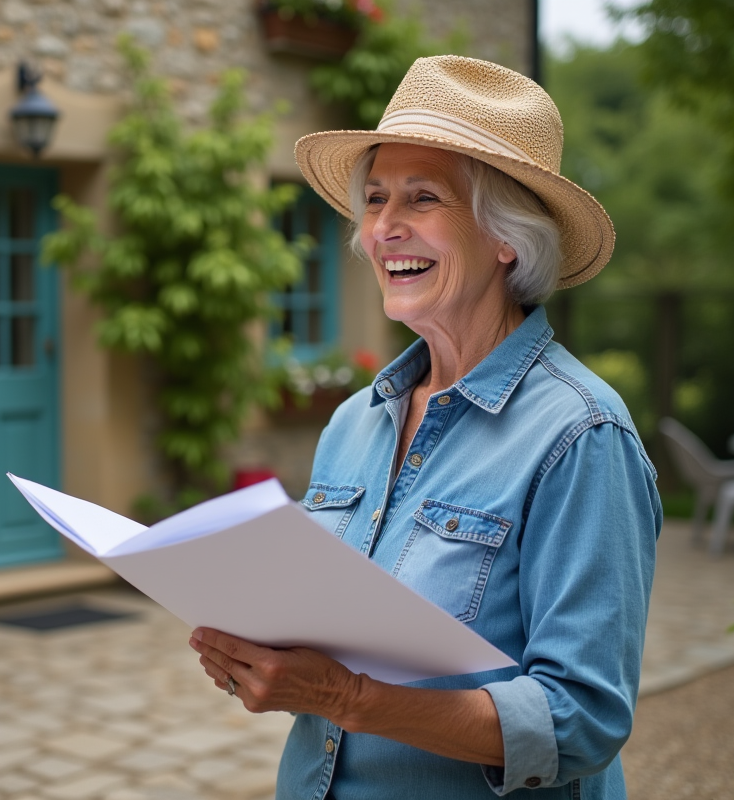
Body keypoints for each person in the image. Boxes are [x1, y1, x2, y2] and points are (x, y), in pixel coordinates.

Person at [188, 55, 661, 799]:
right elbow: (327, 634)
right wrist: (259, 652)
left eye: (423, 198)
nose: (384, 228)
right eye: (374, 199)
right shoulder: (353, 421)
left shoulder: (581, 435)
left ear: (508, 236)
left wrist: (339, 696)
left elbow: (580, 722)